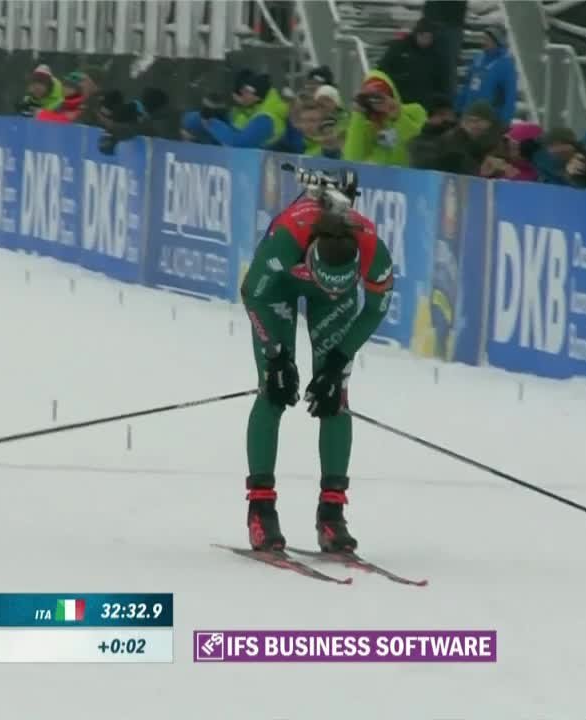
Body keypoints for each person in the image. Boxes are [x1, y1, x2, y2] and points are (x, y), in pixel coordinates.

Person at [239, 174, 395, 553]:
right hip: (278, 289)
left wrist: (339, 360)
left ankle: (332, 514)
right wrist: (277, 356)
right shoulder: (287, 240)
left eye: (341, 282)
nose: (330, 285)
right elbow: (252, 294)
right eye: (326, 280)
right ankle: (261, 510)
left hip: (333, 305)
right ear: (310, 255)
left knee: (333, 397)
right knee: (273, 391)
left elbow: (376, 309)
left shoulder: (373, 250)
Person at [181, 69, 290, 149]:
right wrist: (207, 114)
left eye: (245, 92)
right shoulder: (250, 109)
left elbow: (239, 144)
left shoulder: (265, 119)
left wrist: (210, 123)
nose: (240, 95)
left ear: (257, 96)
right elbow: (190, 122)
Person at [342, 71, 428, 167]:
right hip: (381, 175)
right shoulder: (366, 125)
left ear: (392, 94)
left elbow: (420, 149)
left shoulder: (414, 111)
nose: (376, 102)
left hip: (409, 173)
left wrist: (398, 117)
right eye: (370, 98)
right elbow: (351, 160)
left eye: (379, 96)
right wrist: (358, 115)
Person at [377, 17, 451, 111]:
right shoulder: (400, 47)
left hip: (424, 102)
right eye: (423, 37)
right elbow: (382, 69)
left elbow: (442, 80)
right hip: (399, 98)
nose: (426, 41)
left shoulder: (436, 54)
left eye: (429, 38)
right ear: (417, 34)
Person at [455, 26, 517, 125]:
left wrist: (504, 121)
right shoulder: (478, 58)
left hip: (489, 119)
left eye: (488, 40)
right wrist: (458, 108)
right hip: (469, 115)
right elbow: (467, 85)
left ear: (497, 41)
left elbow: (509, 96)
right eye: (484, 39)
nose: (484, 42)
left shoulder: (506, 64)